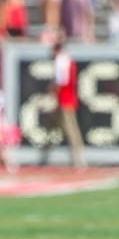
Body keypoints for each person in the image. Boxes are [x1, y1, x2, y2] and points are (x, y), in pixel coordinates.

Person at [38, 39, 86, 168]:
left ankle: (78, 160)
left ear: (56, 49)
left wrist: (50, 95)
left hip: (64, 102)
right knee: (51, 130)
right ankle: (43, 157)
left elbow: (60, 82)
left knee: (70, 130)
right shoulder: (67, 60)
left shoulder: (61, 61)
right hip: (64, 101)